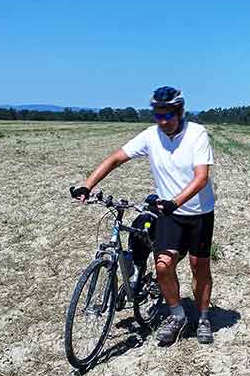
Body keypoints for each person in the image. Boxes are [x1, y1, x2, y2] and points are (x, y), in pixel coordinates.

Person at [70, 86, 216, 345]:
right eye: (157, 115)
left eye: (167, 115)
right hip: (168, 214)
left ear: (180, 111)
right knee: (163, 266)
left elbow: (201, 177)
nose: (162, 121)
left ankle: (203, 318)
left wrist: (176, 201)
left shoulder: (197, 134)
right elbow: (116, 158)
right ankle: (177, 315)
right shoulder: (151, 136)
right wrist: (88, 184)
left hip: (198, 214)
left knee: (199, 267)